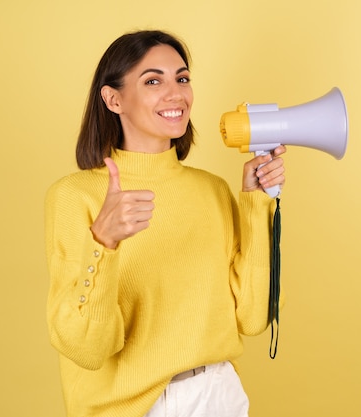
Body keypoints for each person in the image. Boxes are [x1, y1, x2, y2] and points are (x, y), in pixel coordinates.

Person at [44, 29, 286, 417]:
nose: (176, 94)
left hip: (217, 394)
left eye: (182, 78)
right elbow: (87, 349)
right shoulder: (76, 196)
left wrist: (257, 203)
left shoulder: (213, 190)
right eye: (153, 80)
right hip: (134, 409)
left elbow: (254, 317)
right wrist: (103, 243)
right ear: (114, 98)